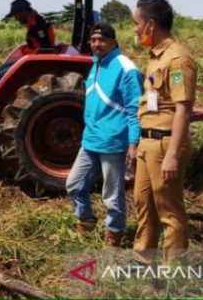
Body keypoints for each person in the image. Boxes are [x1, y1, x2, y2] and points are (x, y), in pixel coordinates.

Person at [132, 0, 197, 265]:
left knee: (169, 211)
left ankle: (174, 272)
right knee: (143, 203)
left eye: (136, 23)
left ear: (150, 25)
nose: (134, 30)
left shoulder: (178, 59)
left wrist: (172, 155)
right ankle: (142, 260)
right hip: (148, 143)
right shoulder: (155, 57)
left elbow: (183, 110)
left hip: (165, 145)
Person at [66, 22, 143, 247]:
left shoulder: (126, 68)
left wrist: (133, 144)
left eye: (102, 40)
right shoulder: (96, 64)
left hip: (113, 141)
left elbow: (134, 109)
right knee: (74, 184)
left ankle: (114, 234)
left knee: (112, 194)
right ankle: (87, 220)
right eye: (93, 40)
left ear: (114, 42)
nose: (97, 44)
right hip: (91, 139)